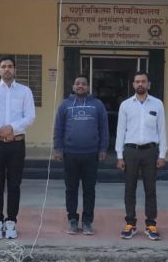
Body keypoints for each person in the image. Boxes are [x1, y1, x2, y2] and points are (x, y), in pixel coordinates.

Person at [0, 55, 36, 240]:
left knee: (14, 184)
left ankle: (11, 221)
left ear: (15, 69)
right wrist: (0, 130)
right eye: (3, 66)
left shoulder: (25, 91)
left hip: (17, 143)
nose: (7, 69)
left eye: (10, 66)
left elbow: (30, 116)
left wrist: (12, 128)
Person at [53, 74, 109, 235]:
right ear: (73, 87)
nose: (80, 86)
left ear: (88, 87)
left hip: (91, 155)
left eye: (84, 84)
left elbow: (104, 129)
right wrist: (58, 148)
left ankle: (87, 222)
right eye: (77, 83)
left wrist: (103, 149)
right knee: (71, 189)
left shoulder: (97, 105)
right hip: (70, 154)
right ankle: (72, 219)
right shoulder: (65, 105)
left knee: (89, 189)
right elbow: (58, 128)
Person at [115, 71, 167, 241]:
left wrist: (162, 154)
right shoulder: (125, 105)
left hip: (150, 152)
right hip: (130, 151)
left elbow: (162, 130)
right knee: (129, 189)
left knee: (150, 190)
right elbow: (120, 131)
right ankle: (130, 223)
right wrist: (119, 156)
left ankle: (151, 224)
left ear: (148, 84)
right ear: (133, 84)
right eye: (137, 81)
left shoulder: (158, 104)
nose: (140, 84)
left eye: (143, 81)